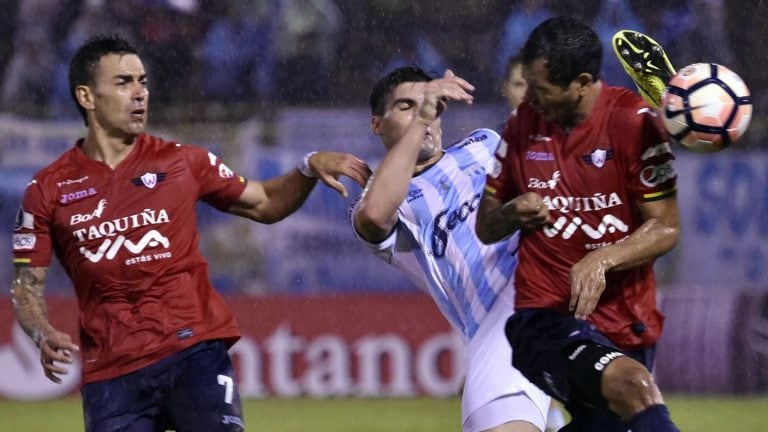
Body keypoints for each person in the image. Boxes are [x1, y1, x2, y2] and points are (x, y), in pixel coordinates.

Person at [10, 34, 370, 432]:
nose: (139, 93)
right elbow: (27, 284)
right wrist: (41, 332)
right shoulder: (48, 189)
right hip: (112, 373)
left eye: (143, 81)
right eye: (123, 82)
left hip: (193, 351)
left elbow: (265, 202)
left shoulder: (182, 162)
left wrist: (306, 168)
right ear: (87, 96)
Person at [475, 16, 681, 432]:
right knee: (635, 388)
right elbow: (485, 225)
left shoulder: (635, 125)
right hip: (545, 319)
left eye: (541, 90)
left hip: (627, 319)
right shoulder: (519, 129)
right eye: (526, 87)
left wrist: (603, 258)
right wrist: (512, 212)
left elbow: (666, 227)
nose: (529, 100)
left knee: (609, 423)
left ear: (582, 82)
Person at [351, 66, 552, 432]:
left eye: (429, 103)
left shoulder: (485, 144)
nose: (423, 113)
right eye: (407, 106)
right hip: (502, 330)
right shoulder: (385, 201)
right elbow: (374, 215)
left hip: (562, 296)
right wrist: (423, 116)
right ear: (377, 124)